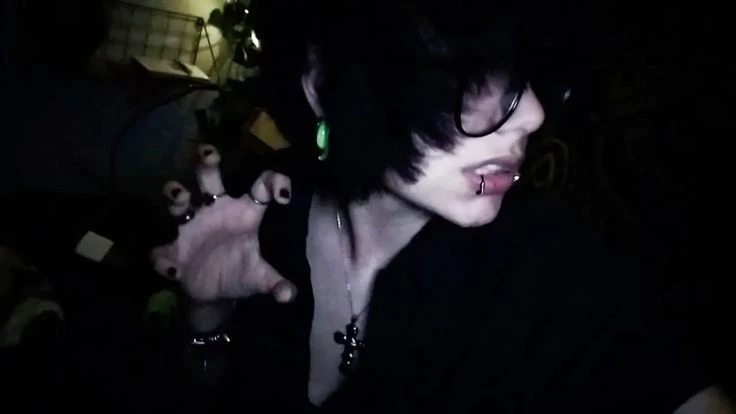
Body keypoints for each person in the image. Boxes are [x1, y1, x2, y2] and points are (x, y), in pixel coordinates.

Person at [152, 1, 732, 412]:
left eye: (530, 77)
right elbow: (207, 388)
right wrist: (207, 317)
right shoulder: (257, 212)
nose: (532, 115)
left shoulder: (549, 266)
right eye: (475, 78)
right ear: (325, 83)